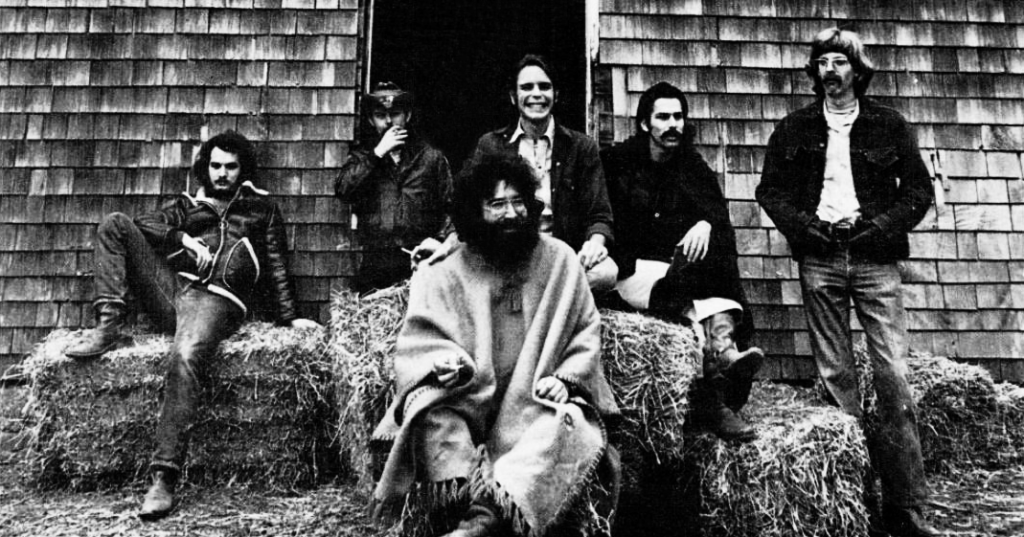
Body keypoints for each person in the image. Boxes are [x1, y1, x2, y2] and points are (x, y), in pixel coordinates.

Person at [65, 130, 320, 520]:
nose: (222, 174)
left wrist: (289, 317)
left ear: (242, 170)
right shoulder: (188, 204)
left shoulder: (261, 209)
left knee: (184, 355)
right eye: (215, 165)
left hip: (217, 299)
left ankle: (163, 477)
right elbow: (143, 224)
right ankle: (108, 324)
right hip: (174, 290)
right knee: (115, 224)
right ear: (206, 167)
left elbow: (276, 264)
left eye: (230, 167)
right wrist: (181, 236)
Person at [371, 154, 621, 537]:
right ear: (475, 211)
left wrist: (568, 380)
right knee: (432, 416)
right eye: (497, 204)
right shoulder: (445, 270)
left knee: (569, 426)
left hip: (534, 401)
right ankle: (471, 503)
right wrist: (445, 363)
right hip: (472, 398)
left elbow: (586, 330)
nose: (511, 214)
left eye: (518, 201)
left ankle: (483, 519)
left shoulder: (560, 262)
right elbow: (422, 339)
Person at [756, 28, 937, 537]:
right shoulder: (795, 128)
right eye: (822, 64)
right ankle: (855, 498)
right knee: (836, 379)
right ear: (814, 74)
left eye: (840, 62)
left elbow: (918, 193)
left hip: (876, 260)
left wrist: (878, 228)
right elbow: (770, 191)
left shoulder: (888, 125)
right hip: (821, 260)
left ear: (858, 71)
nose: (830, 72)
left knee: (893, 376)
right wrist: (807, 230)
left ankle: (906, 505)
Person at [601, 82, 763, 441]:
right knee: (688, 302)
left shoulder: (691, 165)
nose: (673, 124)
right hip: (632, 269)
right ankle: (718, 377)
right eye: (663, 117)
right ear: (645, 123)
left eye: (678, 116)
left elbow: (718, 217)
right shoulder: (618, 162)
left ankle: (725, 351)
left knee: (709, 272)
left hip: (674, 270)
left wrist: (705, 223)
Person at [415, 55, 617, 292]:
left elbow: (600, 215)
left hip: (563, 255)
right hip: (505, 252)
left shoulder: (581, 147)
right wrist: (449, 243)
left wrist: (595, 244)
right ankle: (540, 292)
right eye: (526, 87)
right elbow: (468, 208)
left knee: (606, 273)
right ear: (514, 97)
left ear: (556, 95)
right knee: (435, 268)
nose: (536, 94)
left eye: (544, 87)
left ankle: (530, 291)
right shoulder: (491, 144)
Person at [336, 82, 453, 294]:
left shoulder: (430, 158)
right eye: (380, 115)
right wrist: (377, 154)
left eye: (396, 114)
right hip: (375, 267)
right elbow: (344, 190)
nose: (389, 122)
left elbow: (452, 209)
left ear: (407, 116)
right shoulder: (362, 158)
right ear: (371, 120)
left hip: (421, 265)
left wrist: (439, 242)